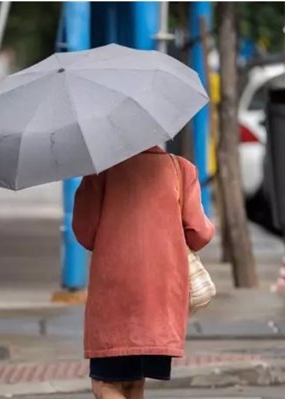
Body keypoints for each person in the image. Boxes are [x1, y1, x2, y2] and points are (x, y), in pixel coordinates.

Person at [72, 145, 215, 399]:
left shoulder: (102, 171)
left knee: (105, 385)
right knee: (134, 384)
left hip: (114, 293)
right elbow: (199, 233)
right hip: (160, 295)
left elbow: (84, 230)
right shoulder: (179, 168)